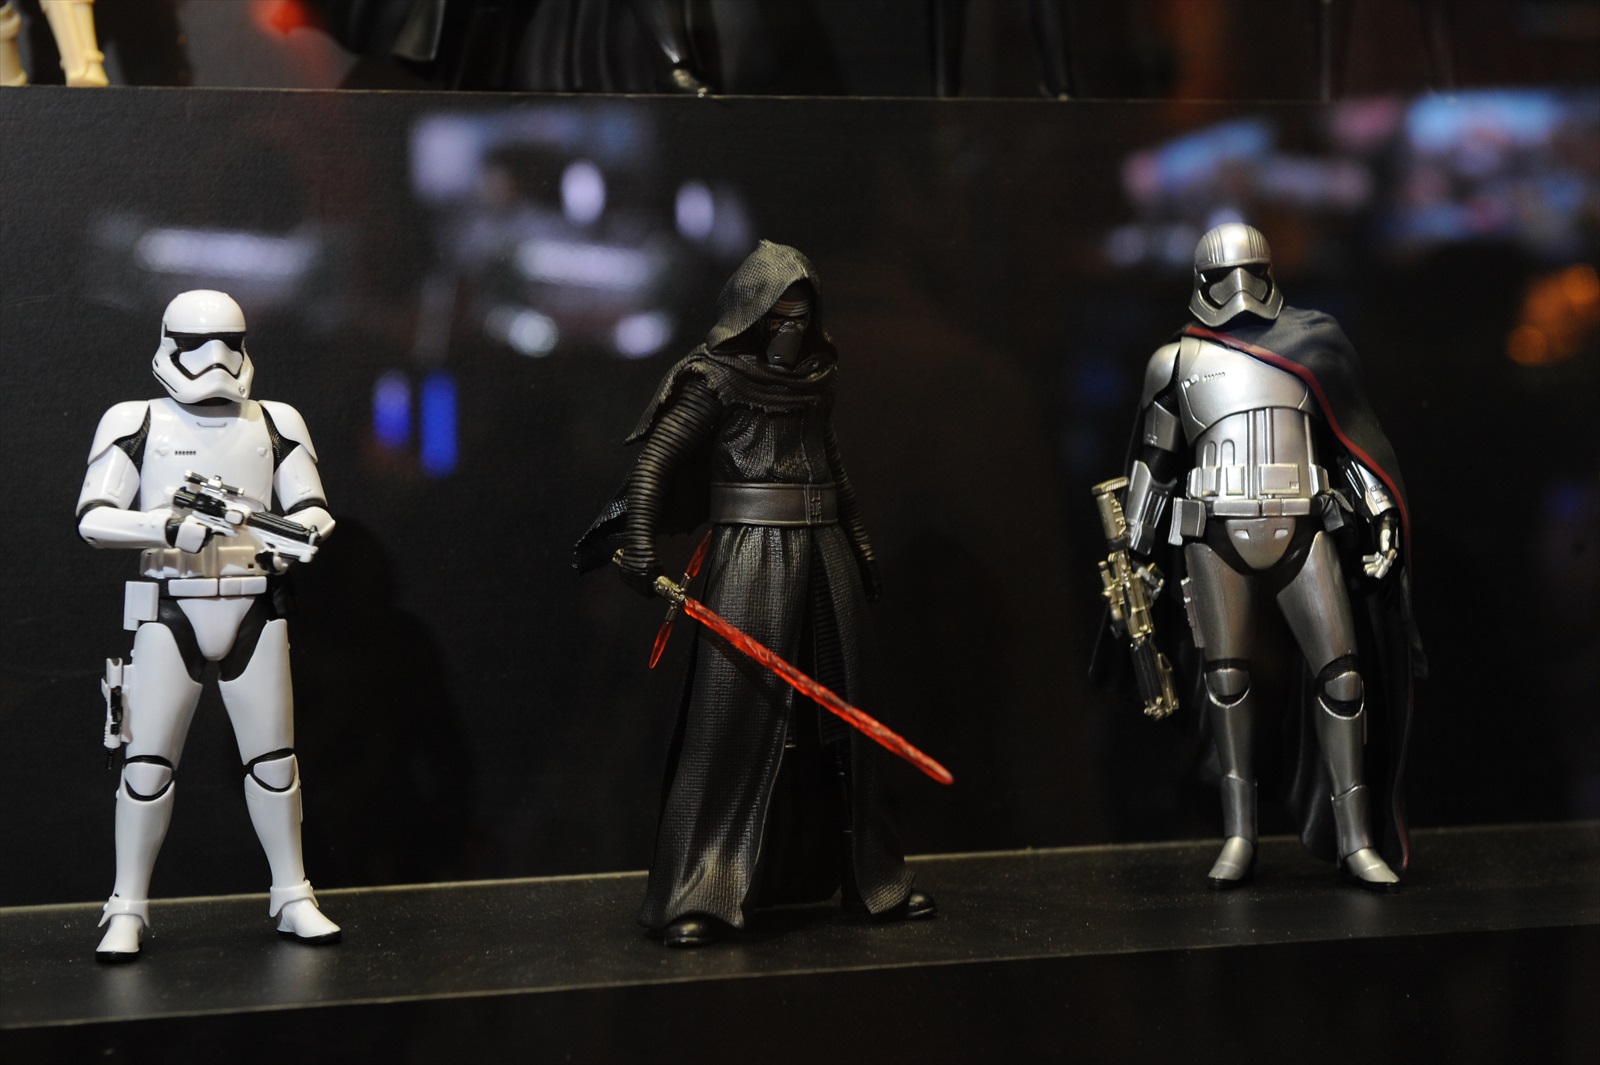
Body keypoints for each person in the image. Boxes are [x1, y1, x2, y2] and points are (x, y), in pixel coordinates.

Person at [576, 241, 934, 946]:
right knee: (731, 722)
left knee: (848, 723)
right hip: (752, 560)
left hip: (825, 553)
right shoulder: (715, 379)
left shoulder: (818, 377)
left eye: (802, 317)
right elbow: (655, 462)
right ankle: (700, 892)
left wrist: (860, 544)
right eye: (778, 318)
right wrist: (642, 544)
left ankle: (872, 878)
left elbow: (832, 465)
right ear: (750, 315)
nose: (791, 332)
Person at [1107, 223, 1424, 890]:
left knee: (1343, 678)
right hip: (1212, 533)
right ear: (1201, 282)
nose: (1239, 289)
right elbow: (1155, 463)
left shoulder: (1313, 342)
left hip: (1303, 527)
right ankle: (1239, 834)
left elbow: (1352, 444)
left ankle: (1356, 839)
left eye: (1251, 271)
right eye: (1225, 277)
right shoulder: (1175, 362)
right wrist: (1135, 547)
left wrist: (1382, 519)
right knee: (1225, 682)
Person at [77, 290, 341, 959]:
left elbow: (312, 508)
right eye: (197, 344)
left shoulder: (275, 420)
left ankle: (293, 895)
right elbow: (95, 517)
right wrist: (167, 524)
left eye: (229, 342)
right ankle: (126, 907)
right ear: (170, 344)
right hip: (172, 604)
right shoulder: (136, 420)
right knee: (146, 765)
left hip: (255, 602)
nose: (215, 359)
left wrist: (292, 539)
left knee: (274, 763)